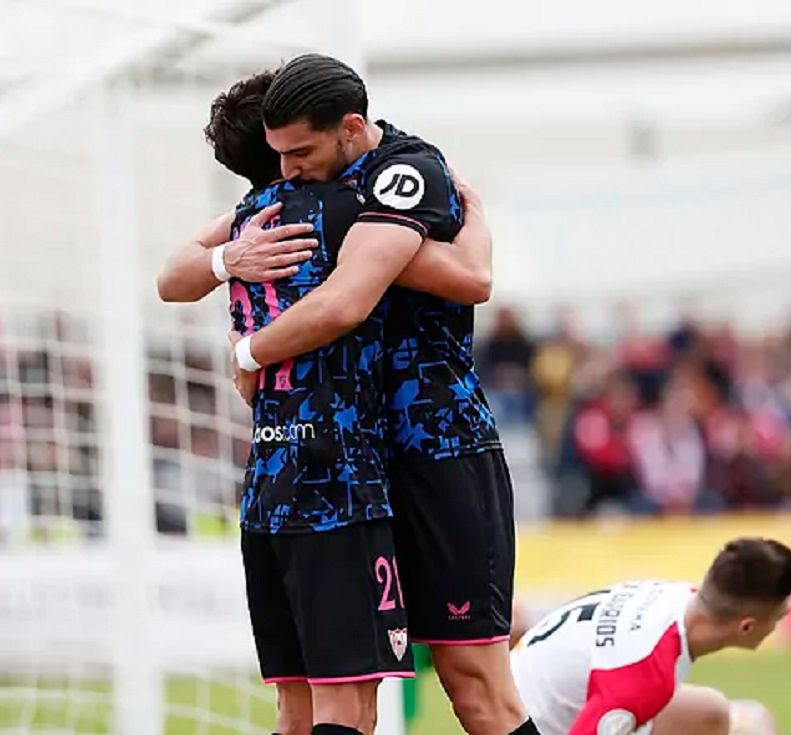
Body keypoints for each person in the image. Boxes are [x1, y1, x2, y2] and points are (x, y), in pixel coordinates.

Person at [156, 70, 495, 735]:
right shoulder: (346, 214)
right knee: (352, 702)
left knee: (295, 706)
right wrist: (474, 217)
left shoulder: (250, 225)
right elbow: (469, 278)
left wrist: (231, 285)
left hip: (269, 480)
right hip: (344, 477)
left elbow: (171, 277)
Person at [233, 54, 538, 735]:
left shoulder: (405, 173)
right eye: (277, 154)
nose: (286, 169)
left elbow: (433, 283)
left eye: (300, 151)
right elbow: (182, 267)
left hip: (438, 446)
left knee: (472, 681)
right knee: (325, 690)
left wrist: (250, 350)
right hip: (349, 464)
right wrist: (226, 259)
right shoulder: (308, 192)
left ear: (350, 127)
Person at [511, 537, 791, 735]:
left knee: (725, 715)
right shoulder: (644, 675)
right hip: (524, 723)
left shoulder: (674, 597)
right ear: (747, 627)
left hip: (531, 691)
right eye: (779, 617)